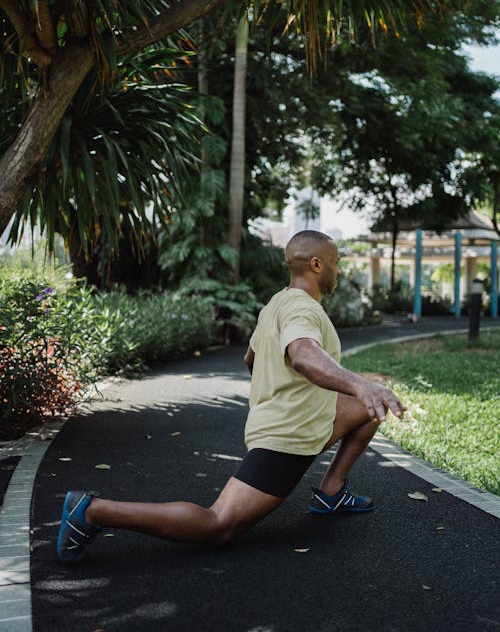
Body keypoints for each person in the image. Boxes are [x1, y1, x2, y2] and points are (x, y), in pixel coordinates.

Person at [57, 230, 405, 564]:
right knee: (219, 525)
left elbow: (250, 359)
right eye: (335, 261)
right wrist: (360, 384)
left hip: (300, 420)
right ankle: (90, 511)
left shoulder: (275, 304)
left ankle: (331, 491)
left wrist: (289, 390)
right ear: (316, 265)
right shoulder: (304, 309)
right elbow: (302, 354)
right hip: (286, 439)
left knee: (370, 406)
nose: (338, 270)